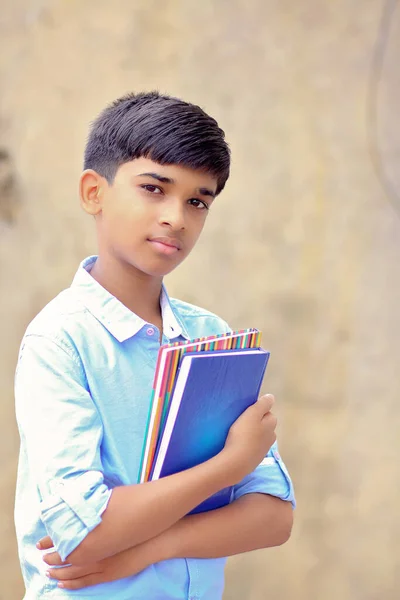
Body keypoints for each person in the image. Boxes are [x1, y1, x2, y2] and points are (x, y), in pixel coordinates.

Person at [14, 91, 295, 599]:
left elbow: (273, 516)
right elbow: (85, 534)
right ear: (93, 192)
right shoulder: (60, 341)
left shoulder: (211, 338)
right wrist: (230, 465)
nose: (176, 218)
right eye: (153, 188)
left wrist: (148, 548)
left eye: (197, 201)